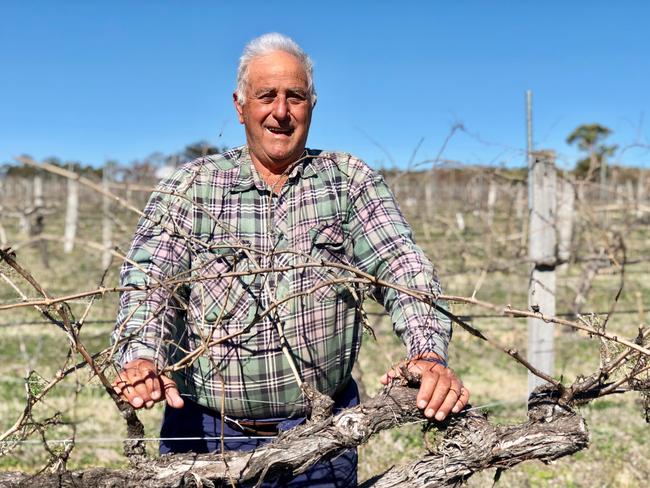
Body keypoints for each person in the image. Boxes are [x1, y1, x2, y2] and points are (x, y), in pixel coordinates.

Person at [111, 32, 469, 487]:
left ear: (312, 105)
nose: (280, 111)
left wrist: (426, 352)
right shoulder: (193, 188)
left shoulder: (347, 182)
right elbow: (150, 278)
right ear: (240, 106)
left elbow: (402, 266)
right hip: (203, 436)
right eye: (267, 96)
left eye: (294, 96)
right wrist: (142, 356)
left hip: (322, 435)